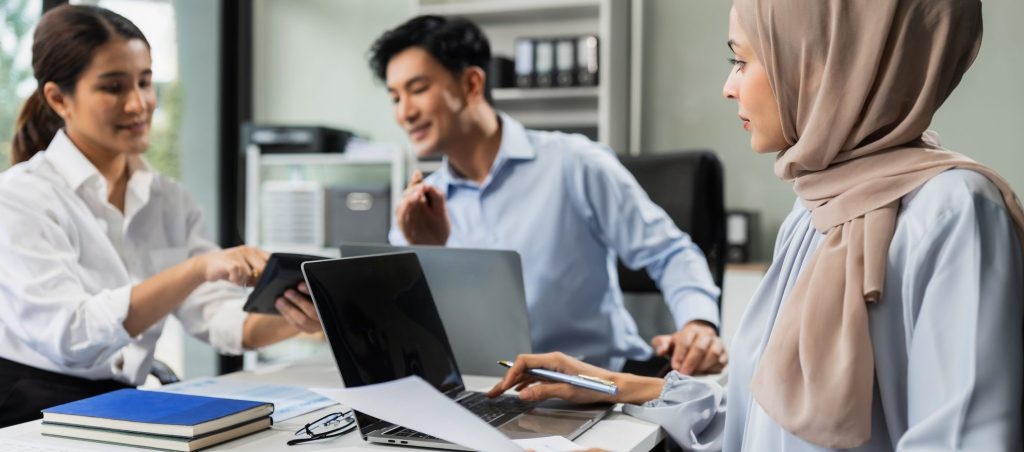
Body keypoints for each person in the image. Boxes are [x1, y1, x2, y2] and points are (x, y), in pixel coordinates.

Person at [490, 0, 1024, 450]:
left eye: (741, 60)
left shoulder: (955, 213)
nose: (729, 87)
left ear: (823, 63)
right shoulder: (814, 206)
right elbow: (761, 420)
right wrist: (608, 385)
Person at [0, 5, 321, 428]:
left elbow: (218, 317)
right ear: (59, 99)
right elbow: (72, 335)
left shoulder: (169, 199)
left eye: (145, 82)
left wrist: (303, 318)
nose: (139, 104)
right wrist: (196, 269)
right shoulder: (19, 197)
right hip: (29, 414)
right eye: (114, 87)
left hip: (120, 406)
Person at [369, 15, 726, 375]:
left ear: (472, 83)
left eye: (417, 90)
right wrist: (429, 253)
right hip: (487, 391)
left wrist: (698, 323)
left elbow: (670, 253)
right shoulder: (421, 207)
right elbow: (409, 332)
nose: (404, 113)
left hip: (598, 386)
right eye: (395, 97)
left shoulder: (574, 163)